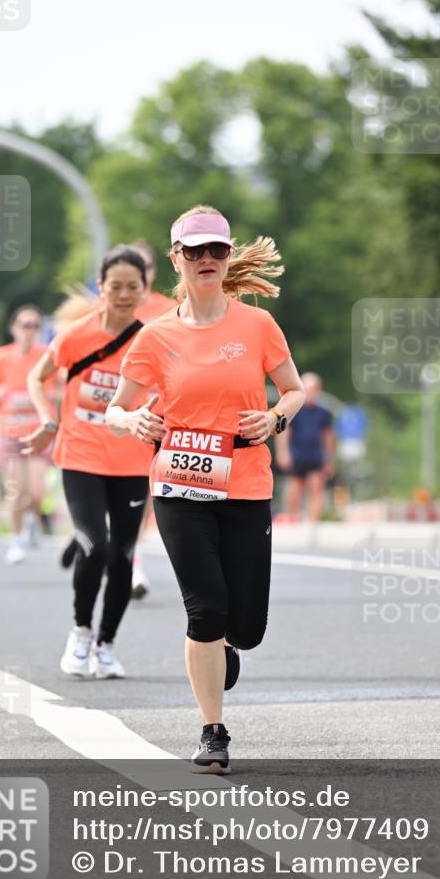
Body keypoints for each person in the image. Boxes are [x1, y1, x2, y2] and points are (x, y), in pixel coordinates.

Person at [107, 205, 305, 773]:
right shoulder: (156, 335)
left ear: (227, 256)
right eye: (194, 252)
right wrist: (133, 421)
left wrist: (275, 419)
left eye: (216, 250)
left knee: (247, 627)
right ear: (176, 260)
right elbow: (116, 409)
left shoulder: (256, 326)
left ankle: (224, 648)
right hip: (179, 484)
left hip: (245, 481)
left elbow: (293, 391)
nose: (207, 260)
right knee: (206, 608)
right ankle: (211, 729)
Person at [23, 245, 154, 680]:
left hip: (132, 461)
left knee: (123, 555)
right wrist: (47, 418)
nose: (122, 294)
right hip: (80, 456)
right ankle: (80, 631)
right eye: (114, 286)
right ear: (101, 288)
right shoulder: (78, 335)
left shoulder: (151, 340)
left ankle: (106, 645)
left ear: (144, 290)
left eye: (131, 287)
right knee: (94, 545)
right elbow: (37, 377)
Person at [0, 306, 56, 564]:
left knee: (36, 492)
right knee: (17, 489)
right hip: (8, 432)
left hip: (37, 432)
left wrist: (40, 398)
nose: (30, 330)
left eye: (35, 325)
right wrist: (1, 394)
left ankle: (32, 518)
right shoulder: (0, 357)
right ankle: (15, 541)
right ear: (13, 328)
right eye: (24, 325)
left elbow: (60, 389)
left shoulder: (47, 356)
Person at [129, 239, 177, 599]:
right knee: (122, 492)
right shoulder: (111, 310)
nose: (139, 273)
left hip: (160, 415)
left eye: (144, 266)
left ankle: (131, 555)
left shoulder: (170, 310)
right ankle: (127, 559)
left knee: (147, 492)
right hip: (122, 414)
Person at [275, 371, 335, 521]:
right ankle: (293, 519)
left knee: (316, 488)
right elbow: (284, 432)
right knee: (294, 489)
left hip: (315, 456)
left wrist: (329, 460)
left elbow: (327, 437)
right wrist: (283, 452)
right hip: (297, 455)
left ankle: (313, 522)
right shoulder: (295, 411)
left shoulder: (323, 413)